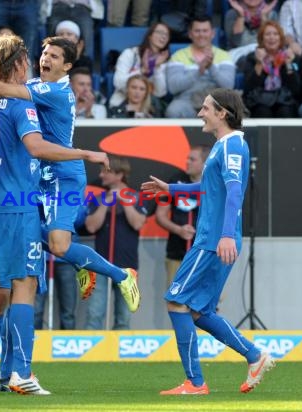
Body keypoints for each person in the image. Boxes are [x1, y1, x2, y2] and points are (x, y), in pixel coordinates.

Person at [0, 35, 140, 392]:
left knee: (54, 248)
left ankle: (120, 275)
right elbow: (1, 94)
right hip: (29, 183)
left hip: (59, 176)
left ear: (67, 67)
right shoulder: (27, 88)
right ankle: (6, 372)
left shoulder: (56, 92)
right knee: (10, 284)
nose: (44, 59)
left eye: (54, 56)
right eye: (42, 53)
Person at [141, 88, 275, 395]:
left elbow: (234, 193)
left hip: (212, 241)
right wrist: (171, 187)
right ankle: (255, 356)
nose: (200, 113)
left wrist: (226, 234)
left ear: (222, 113)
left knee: (176, 300)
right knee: (200, 312)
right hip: (215, 239)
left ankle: (195, 382)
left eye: (205, 108)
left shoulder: (230, 146)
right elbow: (210, 186)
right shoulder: (223, 146)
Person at [84, 156, 147, 330]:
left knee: (123, 316)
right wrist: (106, 203)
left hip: (127, 266)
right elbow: (91, 227)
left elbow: (137, 223)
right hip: (100, 264)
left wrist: (124, 201)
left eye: (106, 171)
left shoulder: (136, 197)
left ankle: (120, 355)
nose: (101, 175)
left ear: (119, 175)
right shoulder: (97, 198)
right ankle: (91, 353)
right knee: (95, 313)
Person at [155, 145, 210, 288]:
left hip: (205, 254)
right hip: (177, 253)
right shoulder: (175, 181)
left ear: (205, 163)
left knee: (205, 302)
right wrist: (179, 230)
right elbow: (160, 216)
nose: (187, 162)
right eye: (187, 158)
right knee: (176, 300)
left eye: (192, 159)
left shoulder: (214, 183)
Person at [166, 16, 235, 118]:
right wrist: (199, 71)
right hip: (186, 101)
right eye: (197, 31)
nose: (201, 34)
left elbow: (229, 86)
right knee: (173, 110)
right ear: (190, 34)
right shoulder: (178, 56)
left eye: (205, 31)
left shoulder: (224, 56)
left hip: (216, 102)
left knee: (231, 111)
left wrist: (211, 67)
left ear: (212, 33)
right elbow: (173, 87)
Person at [242, 20, 302, 118]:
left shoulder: (291, 57)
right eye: (268, 34)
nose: (272, 38)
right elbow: (248, 89)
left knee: (285, 111)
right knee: (262, 111)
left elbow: (296, 90)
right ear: (261, 39)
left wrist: (288, 64)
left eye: (275, 34)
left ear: (281, 38)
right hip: (260, 101)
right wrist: (259, 63)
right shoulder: (252, 58)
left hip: (285, 101)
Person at [109, 22, 170, 108]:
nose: (163, 37)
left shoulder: (164, 61)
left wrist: (157, 67)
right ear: (149, 35)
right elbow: (118, 82)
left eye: (166, 35)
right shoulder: (130, 54)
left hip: (148, 108)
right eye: (160, 32)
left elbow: (160, 93)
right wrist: (143, 70)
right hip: (123, 103)